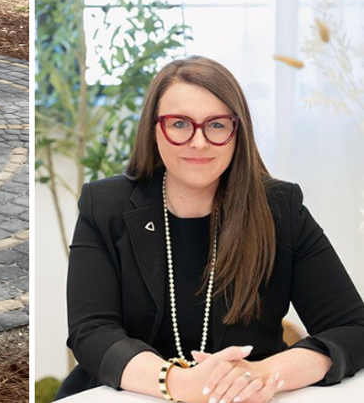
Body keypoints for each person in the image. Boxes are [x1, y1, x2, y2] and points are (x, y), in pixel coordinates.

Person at [56, 55, 364, 401]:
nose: (198, 142)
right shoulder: (105, 205)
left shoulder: (280, 209)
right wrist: (176, 382)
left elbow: (353, 329)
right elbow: (91, 331)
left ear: (237, 132)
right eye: (180, 124)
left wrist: (264, 373)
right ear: (155, 129)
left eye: (216, 125)